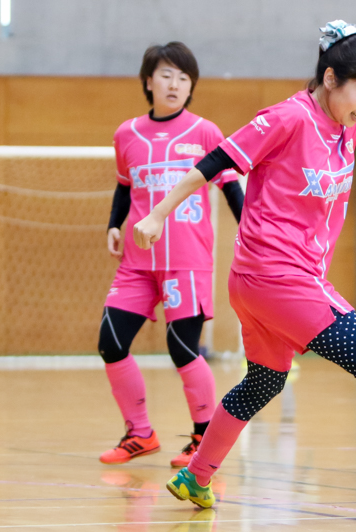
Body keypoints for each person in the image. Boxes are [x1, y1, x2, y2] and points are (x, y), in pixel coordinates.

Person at [133, 21, 356, 522]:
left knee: (264, 381)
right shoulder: (288, 118)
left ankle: (196, 476)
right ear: (329, 78)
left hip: (260, 283)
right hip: (279, 277)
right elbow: (215, 161)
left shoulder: (349, 123)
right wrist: (156, 214)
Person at [98, 42, 244, 467]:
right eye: (166, 75)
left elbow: (231, 187)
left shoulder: (206, 132)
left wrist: (252, 233)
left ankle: (203, 438)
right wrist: (114, 224)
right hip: (137, 263)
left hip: (187, 261)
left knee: (182, 348)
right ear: (149, 81)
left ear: (191, 87)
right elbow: (124, 186)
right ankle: (140, 434)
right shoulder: (126, 134)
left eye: (183, 77)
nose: (175, 84)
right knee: (111, 342)